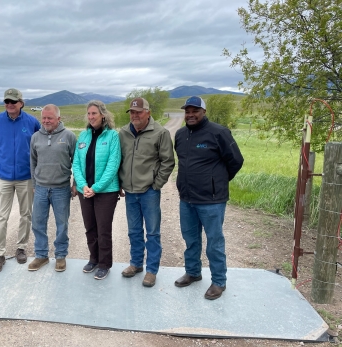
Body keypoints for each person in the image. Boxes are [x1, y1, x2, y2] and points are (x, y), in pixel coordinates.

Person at [174, 96, 244, 300]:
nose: (190, 114)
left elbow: (236, 161)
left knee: (214, 242)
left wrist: (217, 181)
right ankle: (193, 272)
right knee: (190, 239)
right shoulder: (180, 134)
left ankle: (219, 281)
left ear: (204, 112)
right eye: (187, 111)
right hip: (186, 198)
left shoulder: (219, 132)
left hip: (211, 200)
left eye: (195, 111)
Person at [118, 97, 175, 287]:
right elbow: (119, 159)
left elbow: (168, 161)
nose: (135, 115)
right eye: (132, 112)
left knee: (152, 232)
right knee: (134, 231)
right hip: (130, 191)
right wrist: (120, 182)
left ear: (148, 113)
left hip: (149, 191)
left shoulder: (160, 133)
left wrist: (156, 184)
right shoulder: (124, 133)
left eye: (138, 112)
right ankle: (135, 264)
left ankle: (151, 270)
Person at [0, 88, 41, 273]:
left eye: (13, 101)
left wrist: (36, 174)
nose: (10, 104)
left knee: (26, 214)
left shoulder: (32, 122)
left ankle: (21, 248)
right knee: (0, 216)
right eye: (7, 101)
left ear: (21, 103)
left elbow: (39, 147)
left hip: (26, 177)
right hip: (2, 176)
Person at [72, 100, 121, 280]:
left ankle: (104, 264)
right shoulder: (83, 136)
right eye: (89, 114)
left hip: (106, 191)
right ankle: (93, 259)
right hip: (85, 190)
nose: (91, 117)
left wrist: (96, 188)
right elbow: (76, 163)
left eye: (95, 113)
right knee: (89, 227)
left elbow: (113, 164)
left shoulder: (112, 136)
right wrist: (83, 185)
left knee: (103, 229)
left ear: (103, 115)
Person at [28, 104, 77, 272]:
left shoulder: (69, 136)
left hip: (61, 188)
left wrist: (75, 183)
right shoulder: (35, 137)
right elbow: (32, 162)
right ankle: (41, 255)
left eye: (50, 118)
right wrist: (34, 185)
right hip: (41, 188)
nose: (46, 121)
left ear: (58, 118)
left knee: (61, 224)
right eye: (44, 118)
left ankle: (61, 255)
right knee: (37, 223)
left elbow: (76, 162)